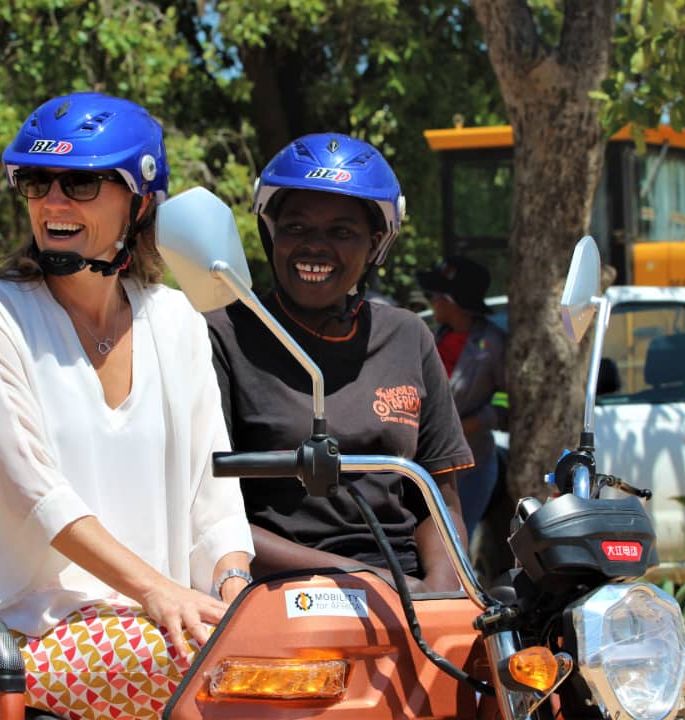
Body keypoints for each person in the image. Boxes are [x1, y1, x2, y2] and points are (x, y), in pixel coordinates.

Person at [0, 91, 254, 720]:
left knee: (299, 657)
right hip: (7, 637)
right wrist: (158, 592)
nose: (52, 201)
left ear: (139, 200)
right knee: (209, 673)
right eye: (36, 181)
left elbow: (212, 499)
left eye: (81, 183)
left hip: (154, 626)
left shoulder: (176, 318)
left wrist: (236, 594)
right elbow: (37, 498)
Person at [206, 133, 474, 594]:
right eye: (296, 227)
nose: (315, 247)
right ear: (270, 233)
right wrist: (368, 581)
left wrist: (446, 594)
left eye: (341, 232)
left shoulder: (408, 336)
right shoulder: (222, 336)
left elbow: (439, 500)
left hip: (408, 591)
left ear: (375, 244)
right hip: (282, 590)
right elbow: (210, 513)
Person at [416, 257, 507, 544]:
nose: (431, 302)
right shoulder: (432, 336)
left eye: (435, 296)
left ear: (451, 301)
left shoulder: (492, 342)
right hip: (426, 464)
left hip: (472, 466)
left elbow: (510, 400)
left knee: (453, 544)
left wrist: (475, 422)